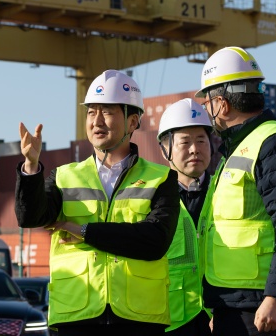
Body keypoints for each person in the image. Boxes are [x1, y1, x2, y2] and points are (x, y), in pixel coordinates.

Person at [15, 69, 180, 336]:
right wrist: (31, 166)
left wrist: (84, 231)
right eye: (92, 112)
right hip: (77, 315)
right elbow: (31, 218)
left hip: (138, 319)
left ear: (132, 122)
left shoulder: (161, 178)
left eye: (108, 112)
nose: (97, 121)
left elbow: (154, 241)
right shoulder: (64, 176)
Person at [195, 47, 276, 335]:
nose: (207, 110)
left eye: (208, 101)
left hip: (262, 305)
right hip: (234, 304)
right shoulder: (235, 150)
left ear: (221, 104)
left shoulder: (274, 144)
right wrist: (216, 307)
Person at [157, 99, 213, 336]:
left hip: (220, 315)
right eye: (185, 142)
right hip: (172, 321)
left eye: (201, 140)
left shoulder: (227, 189)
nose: (194, 149)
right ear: (165, 149)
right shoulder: (153, 198)